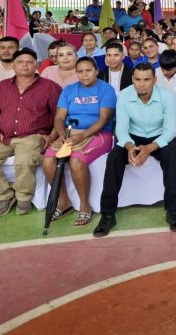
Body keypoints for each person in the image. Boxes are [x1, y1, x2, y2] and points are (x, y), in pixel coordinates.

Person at [93, 63, 176, 236]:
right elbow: (121, 129)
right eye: (138, 79)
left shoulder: (167, 96)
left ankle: (173, 211)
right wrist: (129, 147)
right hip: (133, 137)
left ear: (155, 80)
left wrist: (149, 148)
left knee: (171, 156)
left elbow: (170, 131)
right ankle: (108, 214)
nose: (142, 84)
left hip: (159, 137)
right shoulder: (124, 95)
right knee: (113, 158)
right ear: (133, 79)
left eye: (147, 80)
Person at [0, 48, 61, 216]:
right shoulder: (2, 87)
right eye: (20, 62)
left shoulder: (50, 87)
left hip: (34, 136)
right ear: (13, 65)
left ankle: (23, 197)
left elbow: (59, 115)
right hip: (3, 136)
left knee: (25, 159)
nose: (25, 65)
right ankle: (4, 195)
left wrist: (51, 136)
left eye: (29, 62)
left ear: (37, 65)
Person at [43, 57, 116, 226]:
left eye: (88, 70)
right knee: (48, 160)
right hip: (70, 133)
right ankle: (63, 201)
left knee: (76, 160)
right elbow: (59, 117)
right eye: (80, 71)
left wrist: (83, 135)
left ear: (96, 71)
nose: (84, 75)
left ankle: (85, 205)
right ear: (76, 73)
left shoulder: (106, 90)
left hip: (98, 134)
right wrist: (62, 134)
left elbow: (104, 119)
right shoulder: (69, 90)